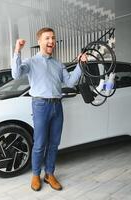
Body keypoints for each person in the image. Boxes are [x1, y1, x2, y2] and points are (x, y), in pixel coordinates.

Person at [11, 27, 87, 191]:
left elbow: (70, 82)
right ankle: (35, 175)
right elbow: (16, 74)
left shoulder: (58, 64)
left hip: (57, 106)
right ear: (39, 42)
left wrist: (80, 65)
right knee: (39, 144)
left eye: (52, 38)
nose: (51, 41)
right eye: (47, 38)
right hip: (40, 106)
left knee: (54, 143)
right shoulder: (31, 62)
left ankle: (50, 174)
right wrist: (17, 50)